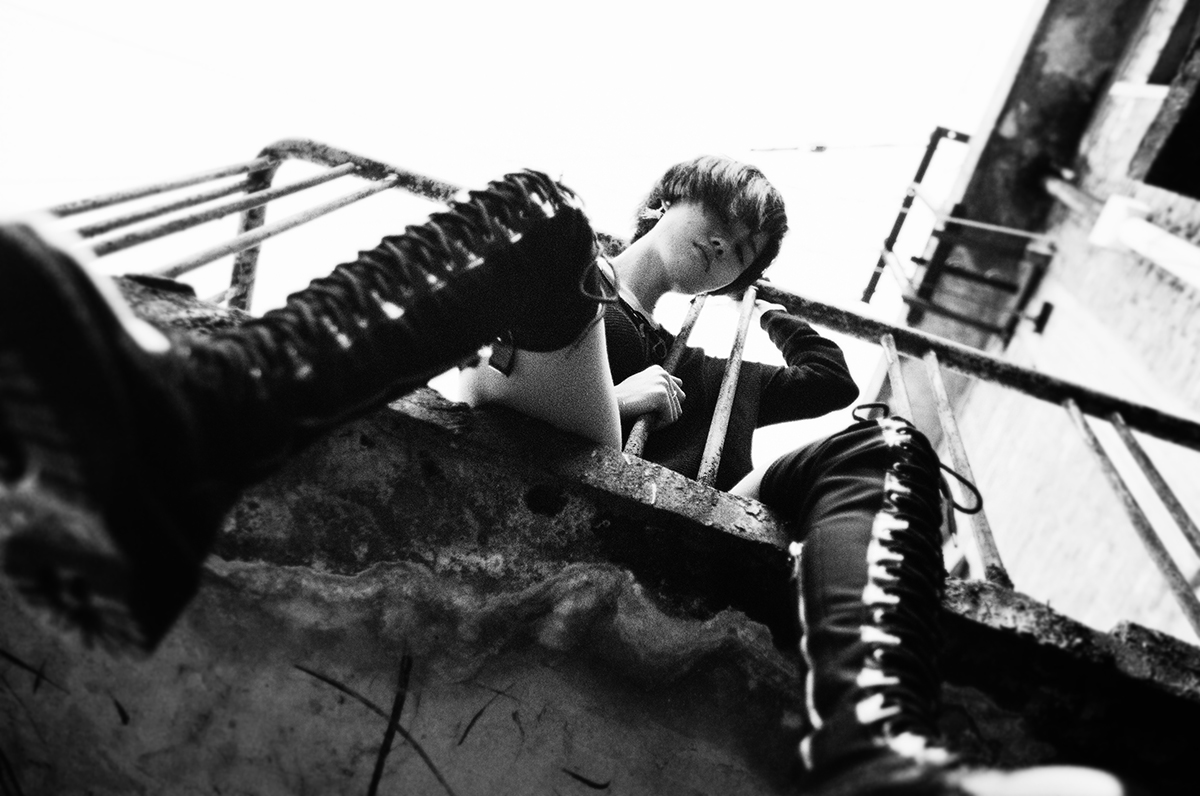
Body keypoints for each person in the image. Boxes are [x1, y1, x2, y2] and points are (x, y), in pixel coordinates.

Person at [0, 163, 1125, 795]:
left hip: (643, 465)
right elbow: (476, 390)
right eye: (721, 221)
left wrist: (761, 316)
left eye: (744, 251)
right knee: (540, 219)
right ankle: (198, 424)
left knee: (886, 440)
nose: (726, 247)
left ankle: (876, 753)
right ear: (665, 201)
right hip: (562, 414)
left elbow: (826, 379)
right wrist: (623, 401)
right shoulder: (584, 288)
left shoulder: (707, 367)